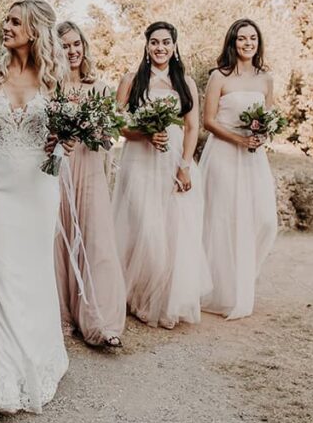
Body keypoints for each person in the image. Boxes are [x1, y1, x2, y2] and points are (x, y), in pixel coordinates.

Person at [0, 0, 70, 414]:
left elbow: (66, 132)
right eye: (6, 20)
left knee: (33, 272)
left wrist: (68, 140)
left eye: (15, 22)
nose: (6, 26)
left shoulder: (55, 79)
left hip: (39, 187)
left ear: (34, 30)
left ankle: (35, 357)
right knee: (1, 270)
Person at [113, 21, 211, 329]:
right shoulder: (132, 80)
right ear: (146, 45)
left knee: (171, 234)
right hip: (139, 162)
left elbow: (193, 127)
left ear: (174, 45)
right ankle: (139, 296)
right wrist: (143, 133)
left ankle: (161, 299)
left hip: (172, 164)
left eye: (166, 42)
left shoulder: (186, 82)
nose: (160, 48)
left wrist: (184, 165)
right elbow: (117, 123)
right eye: (154, 42)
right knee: (144, 230)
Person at [52, 20, 127, 347]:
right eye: (65, 45)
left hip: (91, 167)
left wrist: (97, 131)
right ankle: (59, 314)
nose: (72, 51)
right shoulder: (50, 87)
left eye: (76, 44)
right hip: (59, 168)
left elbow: (111, 134)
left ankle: (99, 319)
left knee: (95, 239)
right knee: (58, 237)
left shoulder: (100, 87)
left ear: (84, 46)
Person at [198, 18, 278, 320]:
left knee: (265, 220)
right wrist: (238, 140)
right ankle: (219, 290)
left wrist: (261, 137)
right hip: (224, 154)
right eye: (242, 38)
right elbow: (208, 122)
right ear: (232, 42)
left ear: (258, 43)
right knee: (223, 221)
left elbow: (268, 119)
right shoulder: (220, 76)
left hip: (254, 158)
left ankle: (243, 279)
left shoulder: (265, 78)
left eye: (253, 38)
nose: (248, 43)